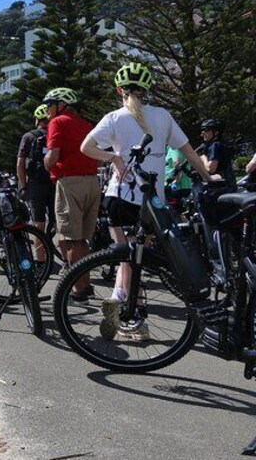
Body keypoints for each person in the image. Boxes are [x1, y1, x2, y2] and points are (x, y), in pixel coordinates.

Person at [80, 62, 214, 341]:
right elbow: (188, 152)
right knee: (137, 258)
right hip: (151, 202)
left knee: (126, 257)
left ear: (119, 90)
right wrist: (209, 178)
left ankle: (119, 300)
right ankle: (135, 317)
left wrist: (113, 157)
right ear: (148, 90)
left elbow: (86, 147)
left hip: (119, 197)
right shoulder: (163, 116)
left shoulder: (114, 118)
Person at [42, 87, 99, 300]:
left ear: (60, 104)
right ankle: (86, 284)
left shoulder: (57, 122)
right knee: (82, 239)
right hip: (92, 183)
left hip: (70, 182)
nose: (47, 111)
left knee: (69, 238)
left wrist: (46, 164)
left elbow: (52, 156)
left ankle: (77, 288)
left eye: (49, 105)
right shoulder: (85, 124)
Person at [17, 104, 56, 269]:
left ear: (36, 120)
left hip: (35, 184)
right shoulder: (55, 134)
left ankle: (41, 261)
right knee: (58, 223)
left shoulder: (28, 136)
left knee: (38, 223)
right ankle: (67, 260)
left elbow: (20, 163)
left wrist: (23, 185)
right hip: (55, 182)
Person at [198, 119, 235, 184]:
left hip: (223, 186)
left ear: (216, 132)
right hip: (229, 183)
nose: (203, 132)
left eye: (206, 130)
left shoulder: (215, 145)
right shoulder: (221, 143)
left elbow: (211, 169)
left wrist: (203, 158)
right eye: (202, 130)